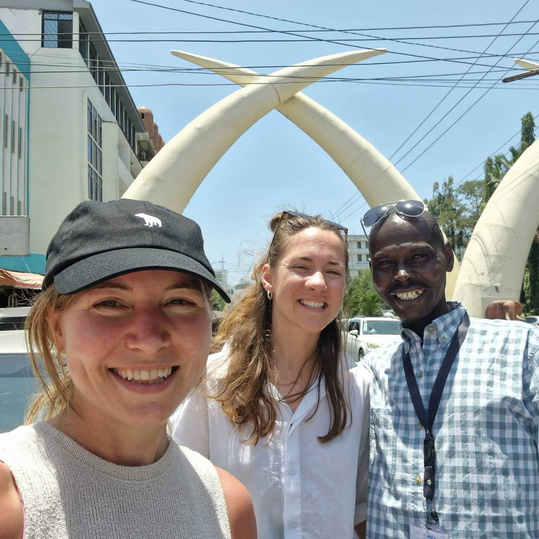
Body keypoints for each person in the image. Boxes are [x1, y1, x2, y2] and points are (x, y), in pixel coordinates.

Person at [0, 199, 257, 539]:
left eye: (178, 301)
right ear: (57, 329)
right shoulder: (11, 499)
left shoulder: (228, 505)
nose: (148, 340)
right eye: (110, 303)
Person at [172, 211, 370, 539]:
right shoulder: (213, 382)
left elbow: (361, 508)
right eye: (301, 267)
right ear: (268, 277)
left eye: (333, 271)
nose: (318, 282)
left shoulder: (358, 387)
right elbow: (180, 491)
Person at [360, 199, 539, 538]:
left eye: (418, 257)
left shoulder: (523, 350)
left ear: (448, 257)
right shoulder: (371, 373)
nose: (402, 274)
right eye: (384, 263)